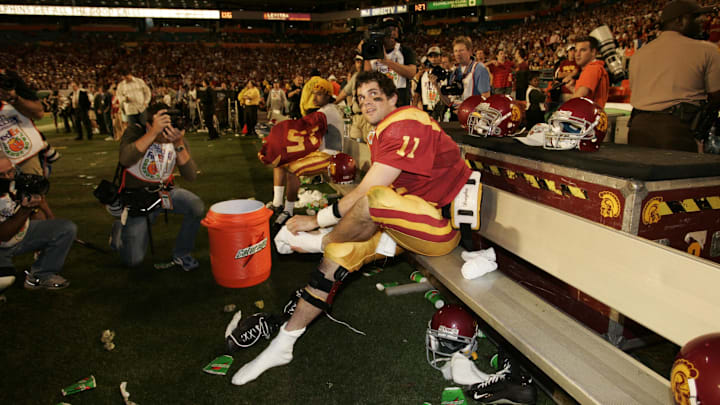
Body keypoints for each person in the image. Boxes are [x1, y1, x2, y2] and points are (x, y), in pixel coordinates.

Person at [232, 71, 474, 386]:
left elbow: (370, 192)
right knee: (337, 254)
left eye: (375, 95)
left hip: (443, 225)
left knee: (373, 200)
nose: (367, 102)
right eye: (361, 98)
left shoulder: (408, 120)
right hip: (402, 221)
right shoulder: (380, 132)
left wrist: (316, 223)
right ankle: (285, 342)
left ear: (393, 99)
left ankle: (321, 241)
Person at [110, 103, 204, 270]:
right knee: (133, 260)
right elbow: (125, 159)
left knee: (195, 205)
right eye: (162, 126)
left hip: (163, 192)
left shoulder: (175, 138)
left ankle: (182, 253)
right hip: (138, 199)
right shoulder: (135, 133)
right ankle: (119, 229)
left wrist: (179, 143)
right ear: (149, 125)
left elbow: (191, 176)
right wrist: (153, 133)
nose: (167, 132)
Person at [628, 0, 720, 153]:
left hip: (637, 130)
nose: (702, 22)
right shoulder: (706, 50)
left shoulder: (639, 54)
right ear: (680, 20)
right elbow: (716, 96)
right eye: (696, 17)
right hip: (678, 132)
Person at [259, 78, 343, 226]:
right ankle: (278, 202)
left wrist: (277, 133)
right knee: (280, 161)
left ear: (328, 96)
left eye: (319, 94)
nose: (315, 97)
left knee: (293, 169)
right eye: (314, 93)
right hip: (320, 152)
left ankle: (288, 211)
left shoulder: (327, 111)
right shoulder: (323, 111)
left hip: (331, 156)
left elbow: (300, 128)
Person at [0, 153, 76, 290]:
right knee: (4, 280)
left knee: (64, 228)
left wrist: (49, 218)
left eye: (9, 172)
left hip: (20, 233)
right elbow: (4, 235)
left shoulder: (14, 181)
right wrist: (25, 210)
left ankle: (41, 275)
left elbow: (38, 196)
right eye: (1, 175)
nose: (8, 177)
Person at [364, 17, 417, 107]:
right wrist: (366, 50)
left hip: (400, 101)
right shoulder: (373, 50)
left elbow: (411, 73)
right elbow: (367, 77)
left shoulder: (405, 50)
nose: (391, 33)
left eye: (394, 29)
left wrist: (387, 62)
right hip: (379, 102)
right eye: (387, 30)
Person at [563, 36, 609, 108]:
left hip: (588, 117)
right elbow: (585, 99)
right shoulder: (597, 68)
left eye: (583, 50)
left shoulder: (592, 68)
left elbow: (578, 97)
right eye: (576, 50)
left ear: (593, 52)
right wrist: (572, 87)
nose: (577, 54)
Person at [414, 46, 443, 114]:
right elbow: (417, 93)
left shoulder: (446, 74)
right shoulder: (423, 75)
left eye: (436, 56)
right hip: (426, 109)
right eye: (431, 56)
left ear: (440, 57)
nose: (433, 59)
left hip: (441, 108)